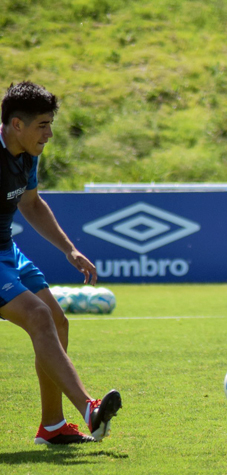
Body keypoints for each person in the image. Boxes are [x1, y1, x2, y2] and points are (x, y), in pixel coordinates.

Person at [0, 82, 121, 444]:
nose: (49, 134)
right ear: (16, 124)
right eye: (43, 125)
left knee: (56, 320)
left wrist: (69, 249)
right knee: (38, 315)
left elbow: (32, 204)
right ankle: (90, 409)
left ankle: (52, 426)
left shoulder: (26, 152)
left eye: (51, 124)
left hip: (7, 249)